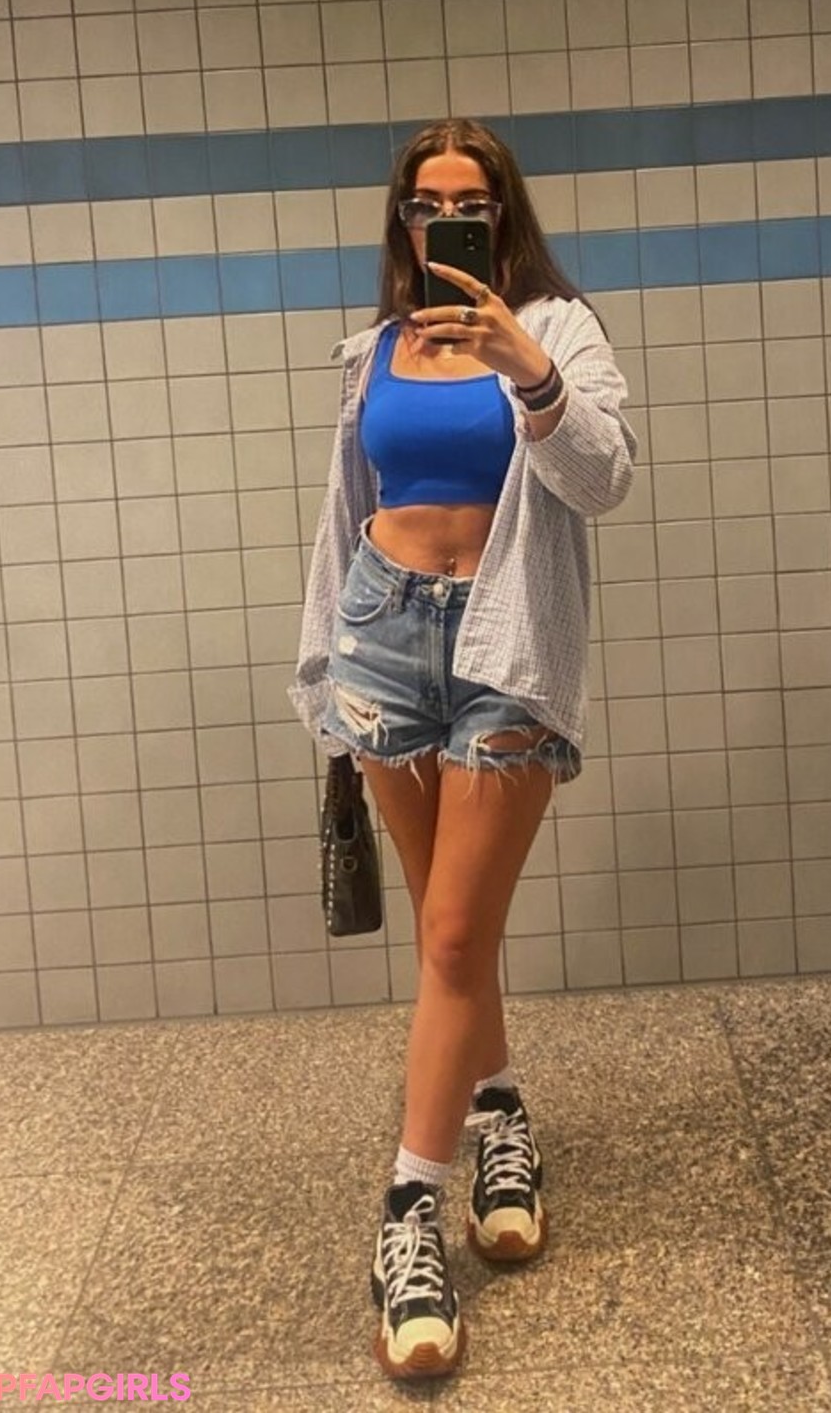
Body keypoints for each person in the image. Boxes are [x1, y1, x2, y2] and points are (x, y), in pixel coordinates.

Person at [290, 117, 637, 1380]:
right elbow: (350, 509)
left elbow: (605, 480)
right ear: (403, 219)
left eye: (471, 202)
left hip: (505, 645)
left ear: (504, 213)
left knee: (448, 934)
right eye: (428, 202)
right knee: (456, 924)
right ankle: (499, 1115)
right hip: (383, 635)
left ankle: (407, 1216)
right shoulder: (373, 349)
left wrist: (526, 369)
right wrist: (325, 655)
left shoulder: (560, 330)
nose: (449, 220)